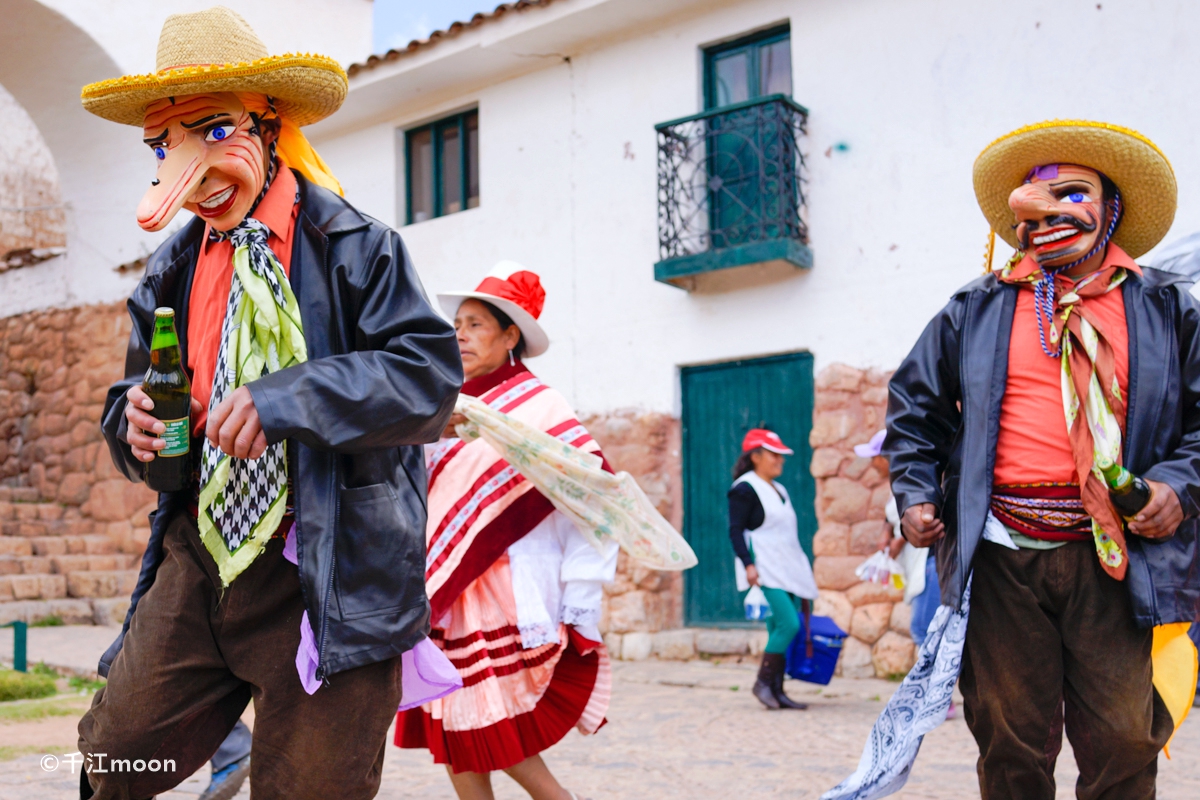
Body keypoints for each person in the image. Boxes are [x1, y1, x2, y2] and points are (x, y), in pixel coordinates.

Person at [75, 8, 461, 799]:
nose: (188, 170)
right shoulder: (169, 273)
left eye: (213, 132)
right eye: (163, 146)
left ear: (269, 123)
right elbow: (134, 397)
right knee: (113, 758)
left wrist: (289, 395)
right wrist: (133, 422)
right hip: (200, 559)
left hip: (329, 572)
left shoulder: (359, 248)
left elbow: (428, 379)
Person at [881, 120, 1200, 799]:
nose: (1045, 216)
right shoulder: (976, 307)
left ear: (1111, 208)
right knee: (1009, 740)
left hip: (1116, 556)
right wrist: (914, 493)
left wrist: (1178, 483)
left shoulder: (1168, 307)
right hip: (999, 557)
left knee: (1123, 738)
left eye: (1071, 195)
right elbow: (914, 408)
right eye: (1031, 205)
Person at [395, 262, 617, 800]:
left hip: (502, 592)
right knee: (454, 730)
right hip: (445, 585)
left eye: (475, 325)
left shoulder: (540, 408)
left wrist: (583, 592)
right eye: (457, 325)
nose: (461, 335)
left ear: (509, 335)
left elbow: (594, 501)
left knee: (492, 730)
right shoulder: (444, 404)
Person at [728, 428, 819, 710]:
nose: (780, 460)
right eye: (774, 455)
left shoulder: (779, 489)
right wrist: (748, 565)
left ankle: (777, 690)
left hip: (787, 566)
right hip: (765, 567)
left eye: (781, 455)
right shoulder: (744, 489)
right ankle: (762, 683)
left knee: (778, 626)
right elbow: (735, 530)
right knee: (789, 623)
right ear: (756, 457)